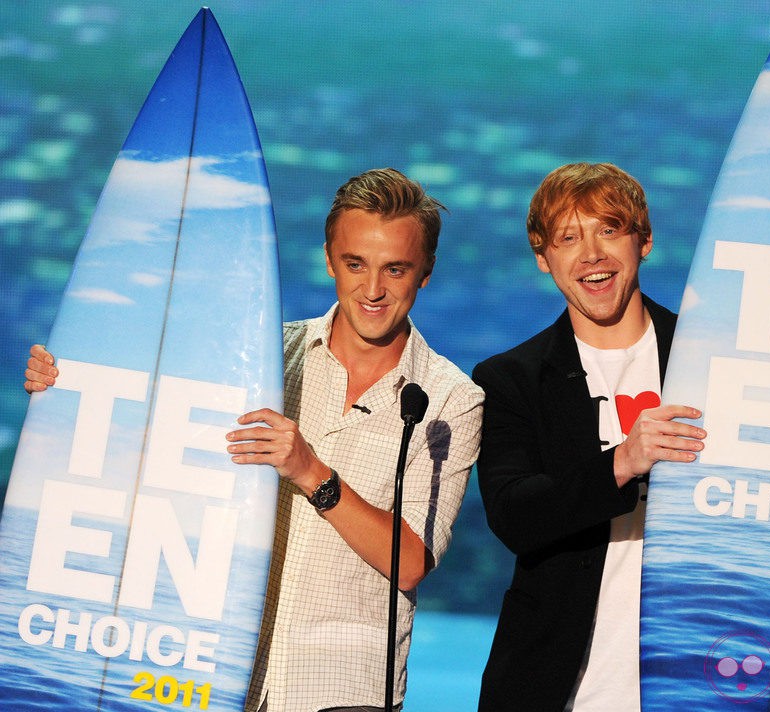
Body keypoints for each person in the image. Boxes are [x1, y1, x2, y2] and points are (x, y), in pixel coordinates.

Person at [471, 162, 770, 712]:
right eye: (568, 238)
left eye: (609, 230)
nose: (592, 255)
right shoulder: (510, 378)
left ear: (644, 241)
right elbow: (515, 516)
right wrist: (622, 461)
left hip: (708, 674)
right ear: (543, 259)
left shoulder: (723, 357)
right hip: (559, 685)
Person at [24, 168, 484, 712]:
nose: (373, 289)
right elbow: (146, 430)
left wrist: (311, 471)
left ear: (425, 271)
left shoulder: (452, 398)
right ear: (329, 258)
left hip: (340, 690)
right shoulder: (261, 356)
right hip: (216, 674)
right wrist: (68, 388)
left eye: (396, 269)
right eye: (355, 264)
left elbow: (411, 561)